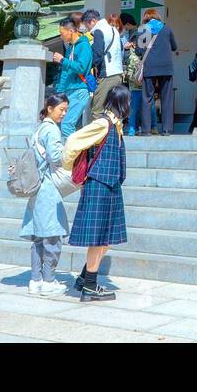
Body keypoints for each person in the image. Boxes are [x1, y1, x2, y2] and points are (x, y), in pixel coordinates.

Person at [66, 84, 129, 301]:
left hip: (110, 186)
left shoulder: (116, 125)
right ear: (122, 102)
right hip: (99, 185)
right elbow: (73, 141)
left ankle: (85, 278)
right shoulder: (103, 123)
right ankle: (90, 286)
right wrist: (68, 168)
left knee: (107, 238)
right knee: (99, 238)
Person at [20, 94, 74, 296]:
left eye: (66, 110)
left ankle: (36, 279)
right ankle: (49, 281)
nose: (64, 113)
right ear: (50, 108)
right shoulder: (51, 129)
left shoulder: (39, 129)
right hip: (47, 187)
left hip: (36, 188)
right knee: (52, 236)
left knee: (38, 238)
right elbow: (56, 157)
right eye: (62, 109)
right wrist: (71, 148)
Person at [136, 8, 178, 136]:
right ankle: (166, 130)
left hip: (150, 67)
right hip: (166, 67)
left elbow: (139, 51)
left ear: (145, 18)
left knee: (147, 98)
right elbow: (174, 46)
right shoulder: (167, 29)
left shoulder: (143, 29)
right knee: (167, 98)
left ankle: (146, 130)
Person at [53, 17, 92, 139]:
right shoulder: (70, 47)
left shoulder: (84, 46)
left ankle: (73, 156)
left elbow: (81, 67)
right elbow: (66, 71)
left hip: (79, 90)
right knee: (66, 125)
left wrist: (62, 60)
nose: (61, 36)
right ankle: (72, 155)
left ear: (70, 31)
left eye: (61, 33)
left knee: (66, 125)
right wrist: (60, 90)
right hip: (69, 91)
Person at [88, 8, 124, 122]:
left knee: (97, 110)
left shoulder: (100, 31)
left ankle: (100, 139)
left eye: (86, 25)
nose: (88, 29)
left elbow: (97, 54)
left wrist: (89, 66)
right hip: (118, 75)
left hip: (107, 75)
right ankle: (114, 137)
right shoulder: (114, 31)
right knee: (113, 112)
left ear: (92, 21)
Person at [120, 18, 141, 137]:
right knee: (145, 106)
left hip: (132, 82)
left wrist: (126, 50)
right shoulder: (143, 51)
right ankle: (149, 127)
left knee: (133, 106)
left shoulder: (129, 48)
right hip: (142, 82)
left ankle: (132, 128)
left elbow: (125, 61)